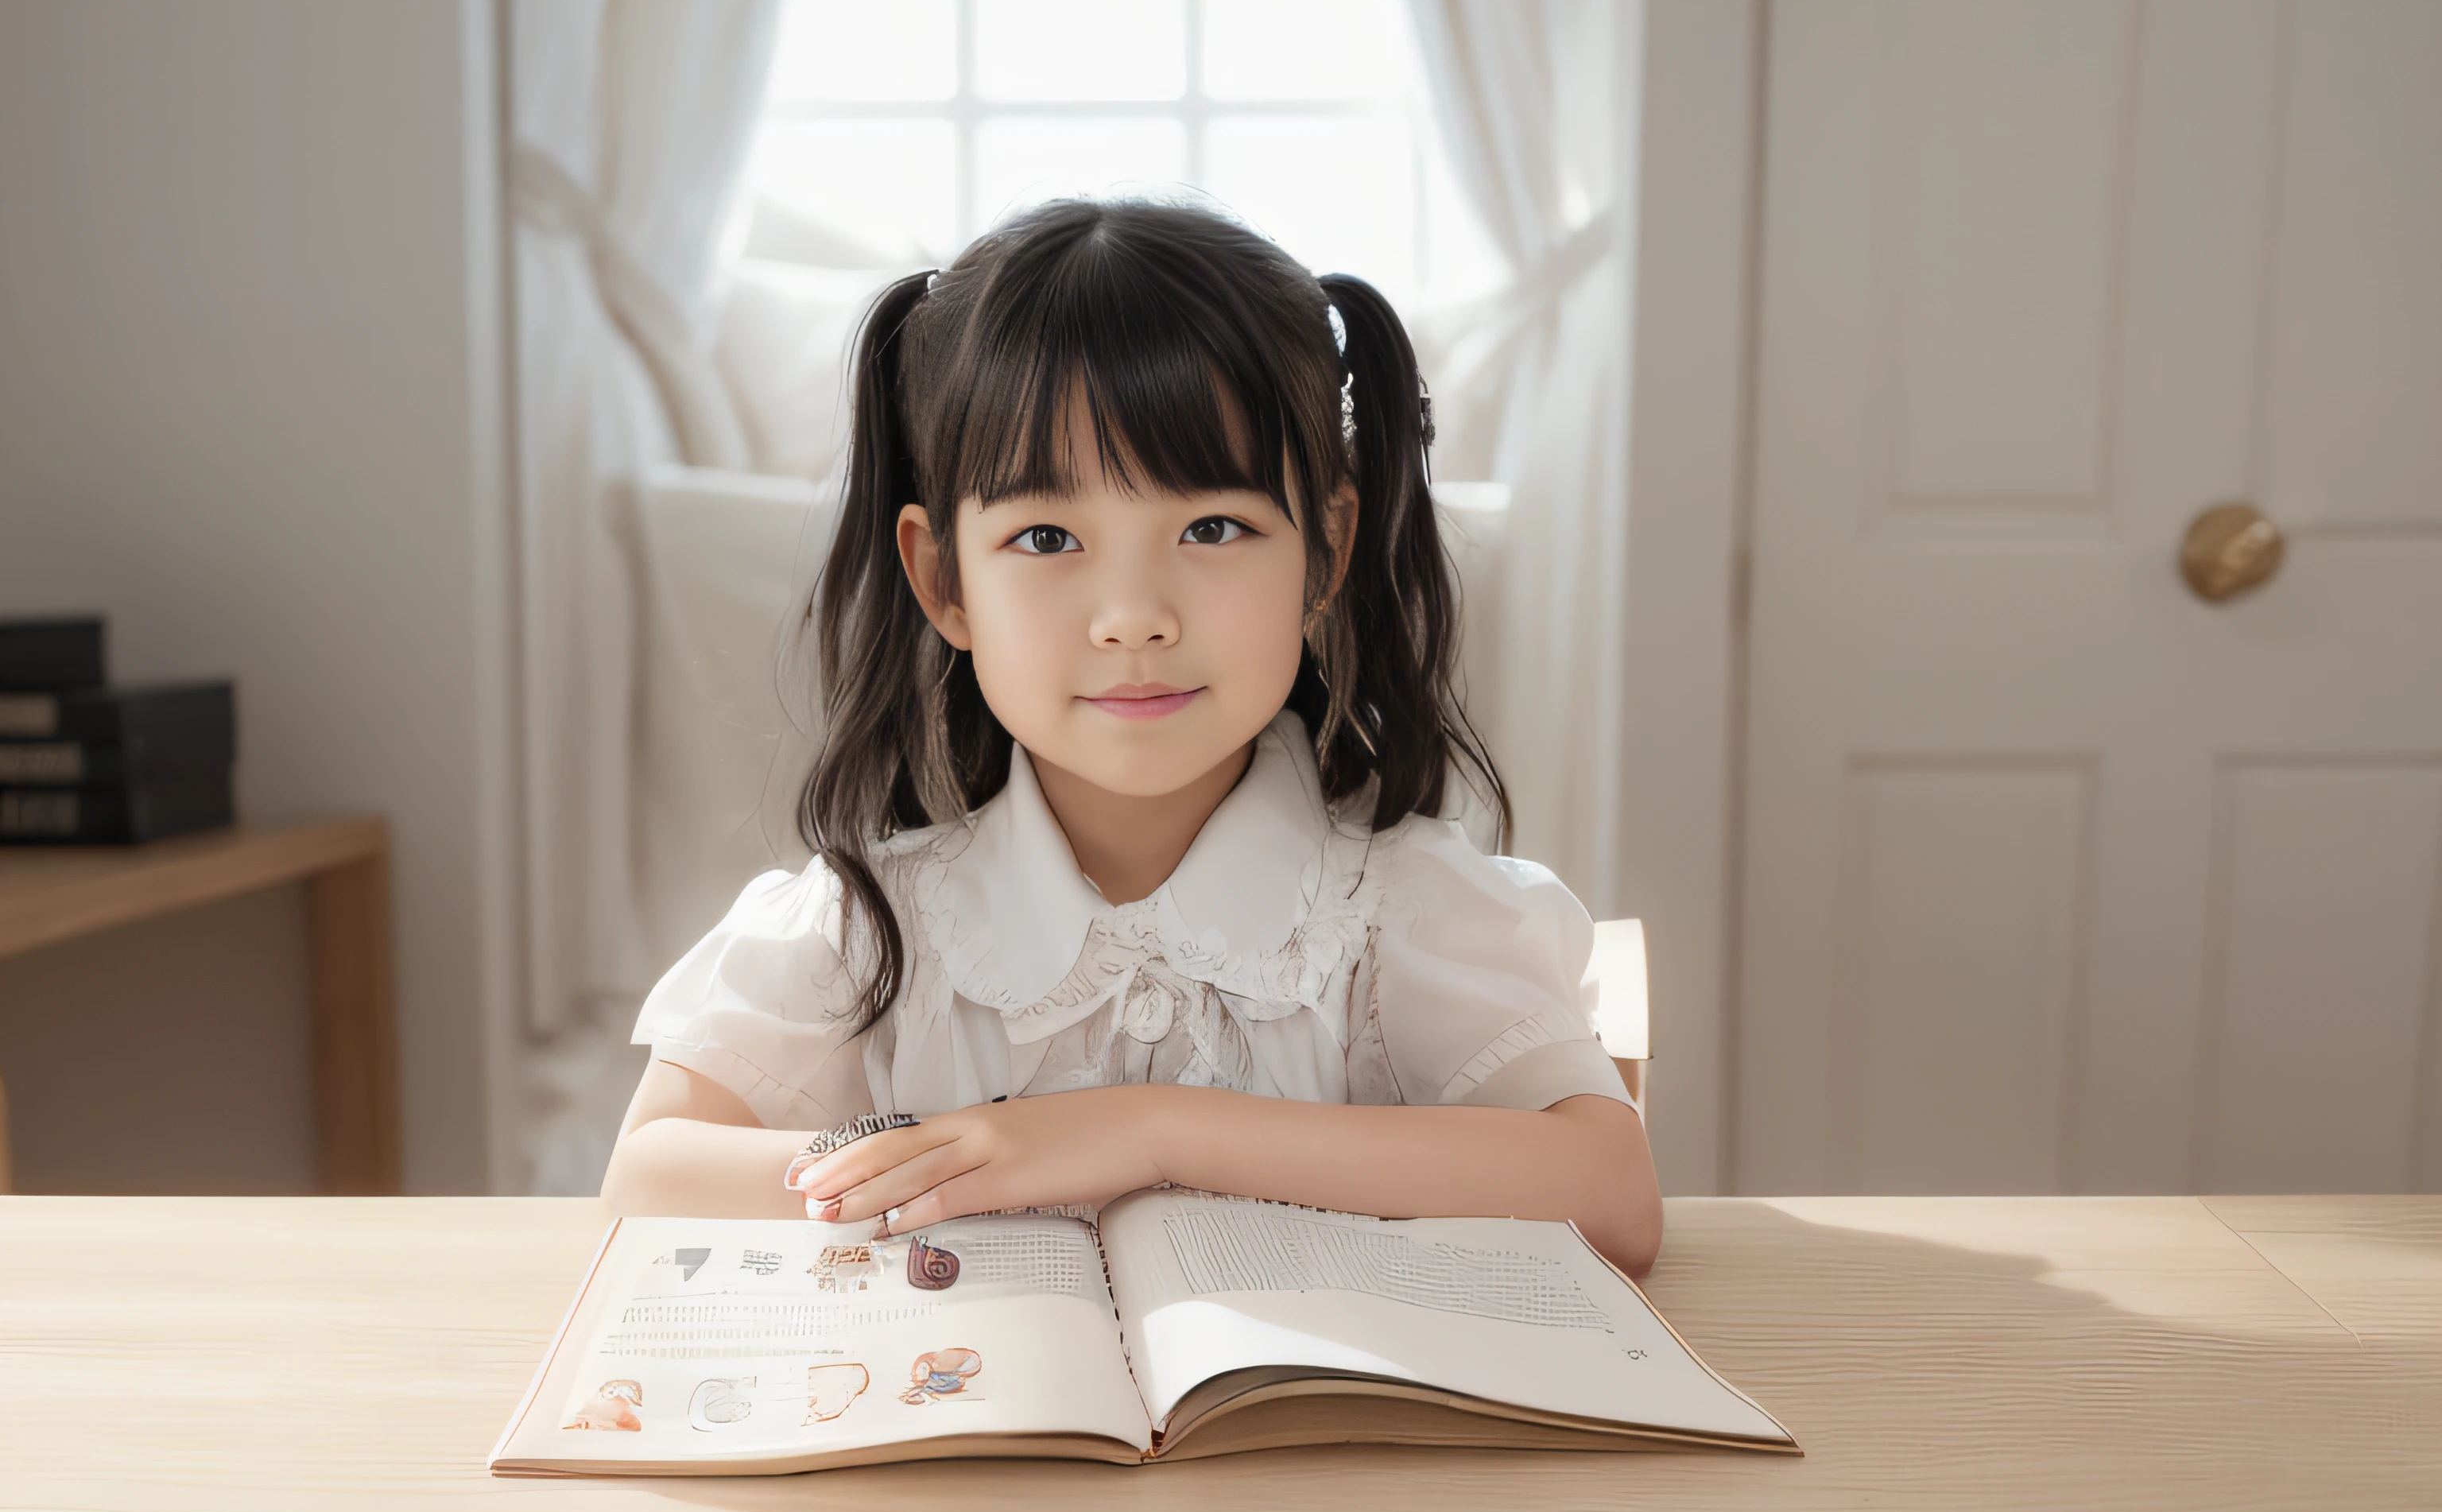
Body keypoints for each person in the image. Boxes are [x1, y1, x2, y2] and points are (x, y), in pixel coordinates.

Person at [601, 198, 1661, 1275]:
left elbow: (1608, 1193)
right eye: (1047, 536)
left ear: (1327, 549)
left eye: (1212, 528)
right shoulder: (866, 925)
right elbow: (649, 1176)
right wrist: (942, 1161)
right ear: (941, 578)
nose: (1133, 616)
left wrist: (1147, 1133)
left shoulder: (1402, 911)